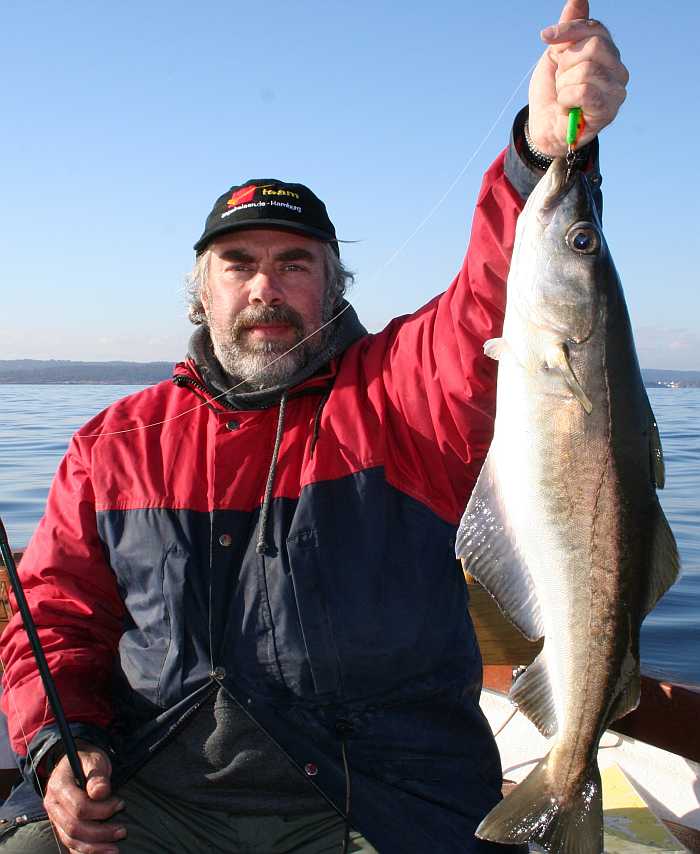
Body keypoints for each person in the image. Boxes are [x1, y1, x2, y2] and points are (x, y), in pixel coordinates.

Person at [0, 2, 628, 851]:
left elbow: (494, 298)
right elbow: (57, 618)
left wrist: (539, 153)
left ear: (331, 285)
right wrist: (59, 749)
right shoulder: (113, 447)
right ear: (203, 289)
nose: (266, 286)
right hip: (157, 795)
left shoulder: (402, 397)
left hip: (374, 801)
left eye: (294, 264)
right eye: (240, 264)